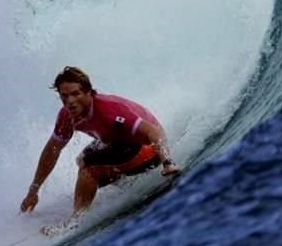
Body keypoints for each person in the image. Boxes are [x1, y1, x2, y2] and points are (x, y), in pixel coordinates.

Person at [20, 66, 181, 234]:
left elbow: (154, 132)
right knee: (82, 158)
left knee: (89, 166)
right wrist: (33, 191)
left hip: (148, 149)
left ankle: (74, 222)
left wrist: (167, 162)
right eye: (64, 96)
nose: (70, 101)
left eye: (76, 94)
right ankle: (125, 183)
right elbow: (51, 151)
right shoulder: (66, 116)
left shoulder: (108, 110)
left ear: (89, 92)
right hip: (119, 145)